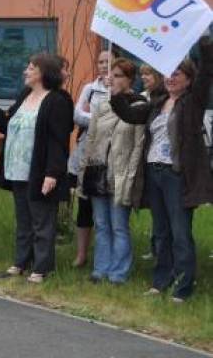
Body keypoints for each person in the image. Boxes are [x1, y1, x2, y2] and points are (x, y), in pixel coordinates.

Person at [110, 36, 213, 302]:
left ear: (189, 79)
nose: (171, 77)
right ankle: (160, 281)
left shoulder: (192, 102)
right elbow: (132, 116)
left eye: (177, 73)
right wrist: (116, 96)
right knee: (162, 231)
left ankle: (183, 285)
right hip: (154, 174)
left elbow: (206, 73)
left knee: (180, 233)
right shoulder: (157, 103)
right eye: (168, 72)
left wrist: (204, 44)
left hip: (177, 176)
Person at [0, 53, 73, 284]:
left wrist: (52, 173)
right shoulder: (25, 95)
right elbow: (8, 124)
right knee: (24, 220)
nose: (26, 71)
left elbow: (58, 141)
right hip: (16, 169)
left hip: (39, 171)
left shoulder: (57, 100)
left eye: (31, 68)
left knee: (42, 221)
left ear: (43, 73)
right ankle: (21, 262)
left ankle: (42, 268)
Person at [79, 58, 146, 284]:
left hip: (120, 173)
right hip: (98, 170)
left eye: (119, 76)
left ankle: (118, 273)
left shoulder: (138, 105)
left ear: (129, 79)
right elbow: (92, 139)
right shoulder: (102, 106)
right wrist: (83, 171)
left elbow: (137, 145)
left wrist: (130, 177)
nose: (113, 79)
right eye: (112, 75)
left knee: (119, 226)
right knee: (101, 224)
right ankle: (100, 269)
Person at [69, 50, 112, 267]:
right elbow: (77, 115)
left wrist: (92, 118)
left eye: (108, 62)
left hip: (110, 155)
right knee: (84, 206)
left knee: (107, 209)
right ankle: (81, 253)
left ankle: (106, 256)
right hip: (87, 153)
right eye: (101, 62)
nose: (104, 66)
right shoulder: (90, 89)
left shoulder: (120, 90)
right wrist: (103, 119)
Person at [139, 63, 165, 261]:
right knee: (156, 210)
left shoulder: (160, 99)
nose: (144, 78)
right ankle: (156, 247)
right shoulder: (143, 96)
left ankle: (162, 250)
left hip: (162, 158)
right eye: (142, 74)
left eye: (148, 74)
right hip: (147, 157)